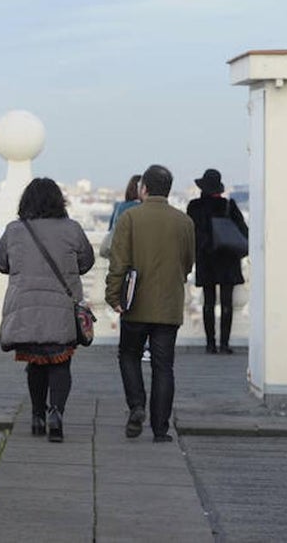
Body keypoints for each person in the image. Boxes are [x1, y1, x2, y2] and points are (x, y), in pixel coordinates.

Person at [0, 178, 95, 443]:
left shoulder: (15, 230)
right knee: (61, 363)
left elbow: (1, 262)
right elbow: (87, 262)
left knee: (35, 364)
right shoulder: (72, 229)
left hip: (26, 310)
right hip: (61, 310)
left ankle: (37, 416)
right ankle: (56, 413)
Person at [105, 165, 194, 443]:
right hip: (169, 304)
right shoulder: (184, 221)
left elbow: (118, 262)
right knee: (163, 366)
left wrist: (113, 296)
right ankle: (160, 429)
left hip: (135, 303)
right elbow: (188, 263)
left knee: (129, 355)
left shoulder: (130, 217)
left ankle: (137, 405)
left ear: (144, 189)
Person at [186, 168, 249, 354]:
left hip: (206, 258)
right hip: (228, 258)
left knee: (208, 302)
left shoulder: (194, 207)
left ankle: (210, 344)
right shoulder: (228, 206)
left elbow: (190, 233)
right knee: (227, 303)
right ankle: (225, 344)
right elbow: (243, 233)